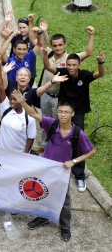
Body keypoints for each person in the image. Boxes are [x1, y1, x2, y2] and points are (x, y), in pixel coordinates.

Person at [11, 91, 96, 242]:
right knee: (41, 192)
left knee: (64, 201)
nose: (63, 115)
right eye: (60, 112)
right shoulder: (52, 124)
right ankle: (42, 217)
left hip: (62, 172)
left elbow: (91, 151)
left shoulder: (77, 133)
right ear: (57, 113)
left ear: (72, 113)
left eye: (66, 112)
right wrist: (22, 102)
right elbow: (34, 115)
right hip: (46, 168)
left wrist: (74, 162)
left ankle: (65, 226)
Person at [42, 48, 106, 192]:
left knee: (77, 143)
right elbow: (47, 67)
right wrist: (45, 54)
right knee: (57, 139)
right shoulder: (63, 73)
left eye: (74, 65)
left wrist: (100, 62)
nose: (71, 67)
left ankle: (80, 176)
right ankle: (52, 168)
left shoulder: (84, 76)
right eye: (69, 65)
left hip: (77, 113)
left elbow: (100, 74)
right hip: (63, 111)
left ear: (79, 65)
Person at [38, 28, 94, 144]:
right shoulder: (47, 53)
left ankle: (55, 145)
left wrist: (91, 35)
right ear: (52, 46)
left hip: (59, 98)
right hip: (46, 94)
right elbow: (37, 43)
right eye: (55, 45)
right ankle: (44, 144)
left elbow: (88, 53)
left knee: (57, 124)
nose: (58, 48)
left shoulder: (71, 59)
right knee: (45, 121)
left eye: (60, 45)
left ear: (65, 45)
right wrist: (41, 32)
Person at [0, 53, 36, 153]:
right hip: (0, 152)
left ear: (22, 100)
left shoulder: (29, 117)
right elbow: (0, 87)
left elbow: (31, 138)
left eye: (15, 99)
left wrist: (24, 155)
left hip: (18, 156)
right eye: (11, 99)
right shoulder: (6, 106)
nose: (12, 102)